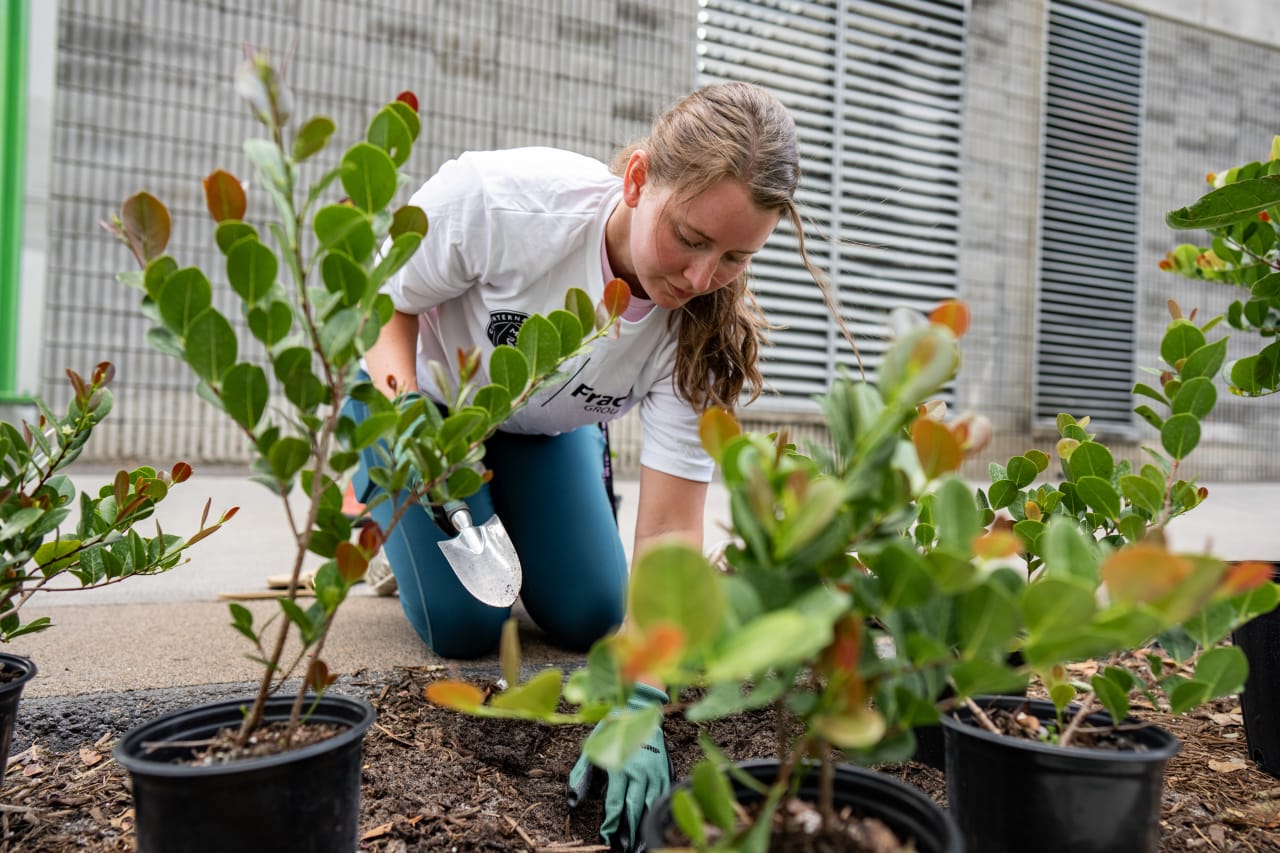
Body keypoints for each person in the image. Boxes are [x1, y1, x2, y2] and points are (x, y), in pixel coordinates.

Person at [347, 80, 840, 850]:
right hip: (427, 406)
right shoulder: (503, 204)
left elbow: (671, 529)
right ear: (639, 179)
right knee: (465, 624)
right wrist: (408, 419)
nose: (704, 277)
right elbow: (384, 305)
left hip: (545, 428)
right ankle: (383, 490)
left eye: (737, 256)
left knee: (592, 614)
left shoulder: (702, 333)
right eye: (689, 237)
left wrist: (641, 692)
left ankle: (504, 496)